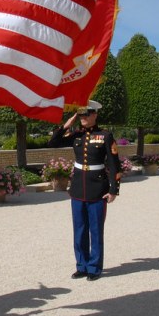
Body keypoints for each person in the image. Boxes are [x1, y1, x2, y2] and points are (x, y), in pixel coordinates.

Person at [48, 100, 122, 281]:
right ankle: (81, 265)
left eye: (86, 114)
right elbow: (53, 142)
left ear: (95, 114)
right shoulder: (77, 135)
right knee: (79, 230)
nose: (83, 118)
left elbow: (114, 165)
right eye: (80, 114)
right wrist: (68, 123)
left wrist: (114, 189)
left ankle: (94, 267)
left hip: (97, 189)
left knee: (95, 230)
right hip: (78, 189)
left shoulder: (105, 135)